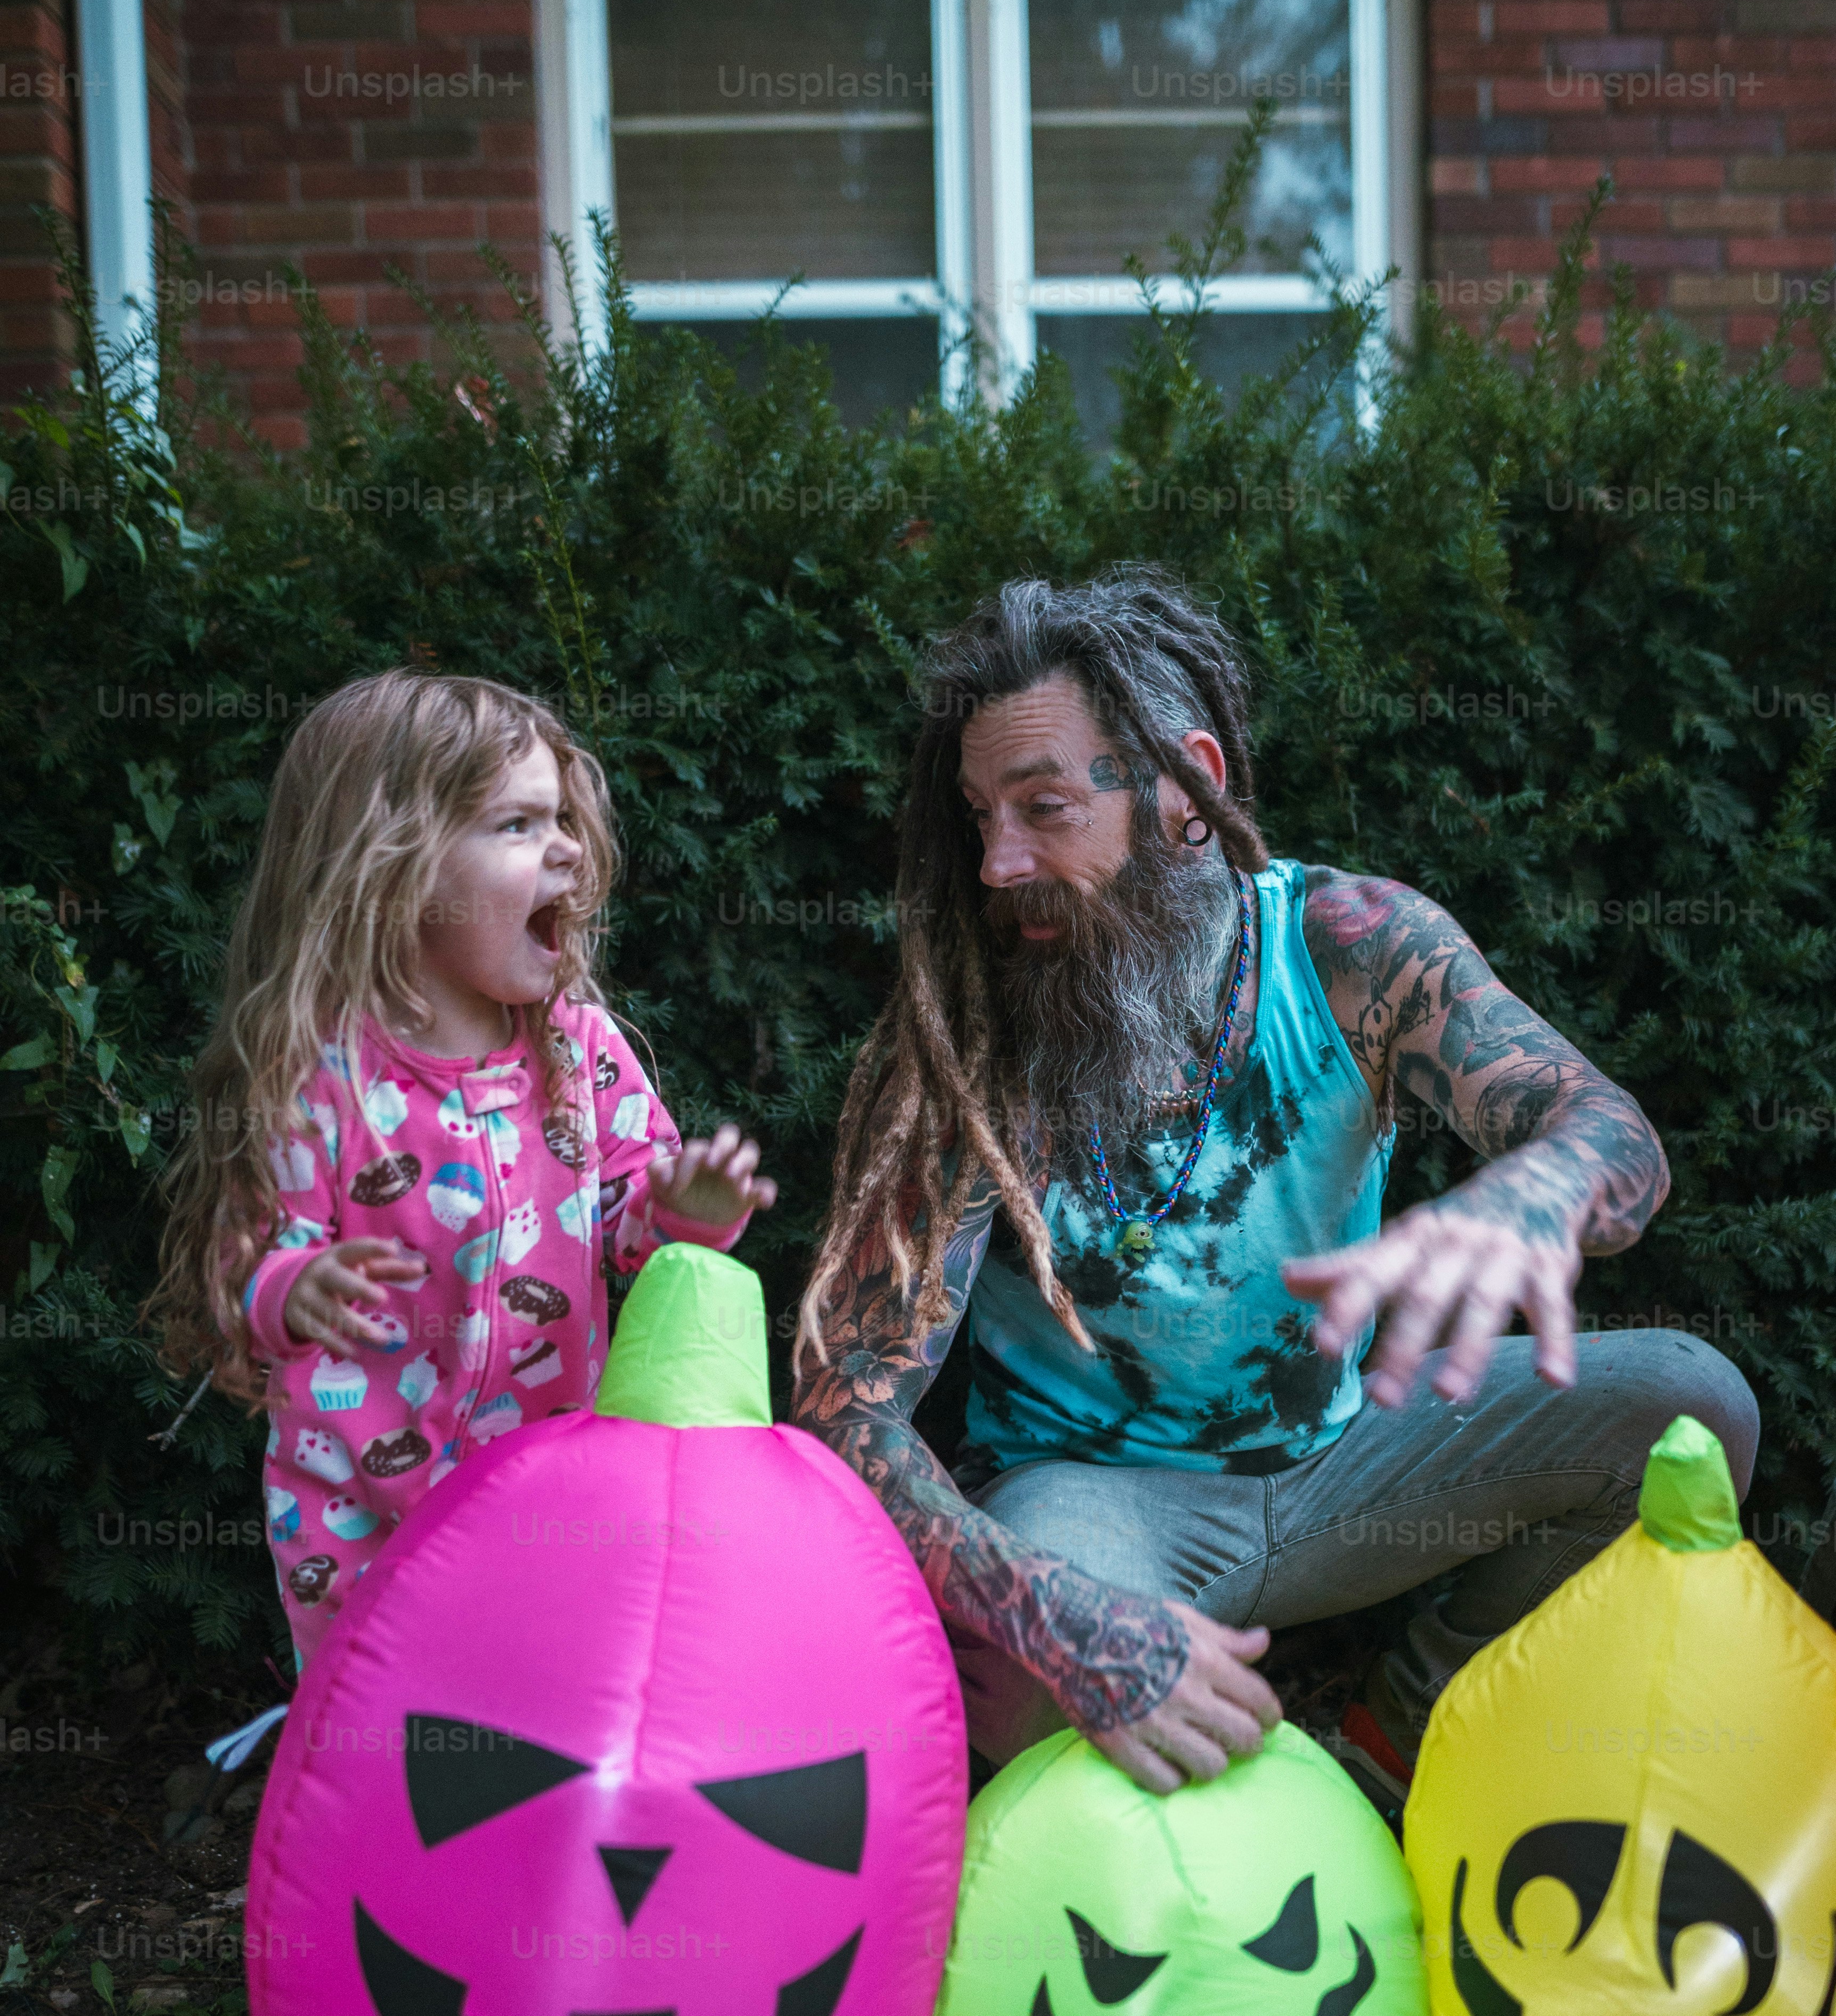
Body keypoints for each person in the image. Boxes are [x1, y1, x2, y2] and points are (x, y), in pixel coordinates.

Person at [791, 573, 1758, 1810]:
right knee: (1041, 1693)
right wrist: (1061, 1617)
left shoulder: (1348, 948)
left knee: (1687, 1405)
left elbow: (1609, 1133)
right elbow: (844, 1408)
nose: (996, 862)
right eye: (981, 817)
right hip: (1095, 1508)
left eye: (1043, 808)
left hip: (1351, 1465)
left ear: (1185, 790)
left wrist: (1526, 1198)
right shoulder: (969, 1029)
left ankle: (1401, 1727)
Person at [153, 669, 775, 1670]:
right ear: (393, 866)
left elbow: (631, 1222)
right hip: (358, 1520)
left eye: (563, 819)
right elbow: (242, 1268)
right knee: (384, 1731)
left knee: (542, 1708)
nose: (568, 847)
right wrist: (295, 1286)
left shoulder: (576, 1051)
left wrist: (687, 1211)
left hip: (549, 1503)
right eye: (519, 825)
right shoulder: (324, 1078)